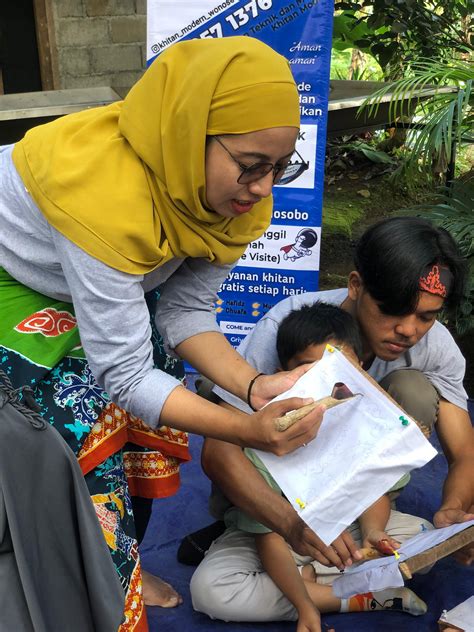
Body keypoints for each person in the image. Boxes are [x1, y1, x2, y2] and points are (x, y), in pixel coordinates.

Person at [0, 36, 333, 630]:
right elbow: (123, 374)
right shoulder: (102, 194)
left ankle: (121, 557)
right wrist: (243, 431)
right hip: (15, 272)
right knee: (78, 412)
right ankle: (88, 571)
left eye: (279, 167)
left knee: (158, 379)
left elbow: (183, 312)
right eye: (251, 166)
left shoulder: (236, 195)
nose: (263, 189)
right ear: (185, 134)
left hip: (101, 272)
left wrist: (255, 386)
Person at [187, 216, 473, 581]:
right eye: (392, 311)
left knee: (414, 390)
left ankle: (365, 527)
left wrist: (453, 509)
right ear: (356, 286)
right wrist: (290, 524)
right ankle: (259, 531)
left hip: (366, 500)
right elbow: (219, 451)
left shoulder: (436, 348)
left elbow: (464, 453)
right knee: (217, 586)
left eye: (426, 317)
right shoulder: (290, 327)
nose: (408, 330)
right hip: (284, 495)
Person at [191, 301, 432, 629]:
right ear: (283, 376)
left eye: (340, 370)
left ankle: (314, 582)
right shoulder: (267, 435)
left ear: (360, 369)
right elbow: (270, 536)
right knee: (210, 591)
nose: (328, 385)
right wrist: (305, 608)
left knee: (424, 541)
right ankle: (359, 596)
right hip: (277, 538)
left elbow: (373, 491)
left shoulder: (365, 426)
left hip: (346, 534)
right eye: (312, 371)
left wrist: (374, 532)